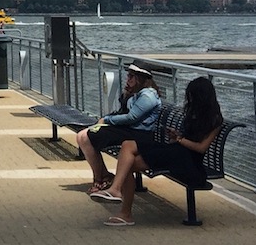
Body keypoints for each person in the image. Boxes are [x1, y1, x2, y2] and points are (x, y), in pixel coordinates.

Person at [91, 77, 224, 227]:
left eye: (192, 96)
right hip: (177, 152)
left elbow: (201, 148)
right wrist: (177, 135)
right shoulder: (195, 113)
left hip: (188, 162)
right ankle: (117, 195)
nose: (189, 99)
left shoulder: (215, 120)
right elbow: (187, 137)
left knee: (128, 162)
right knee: (127, 147)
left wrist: (180, 140)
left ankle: (123, 208)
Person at [76, 62, 161, 193]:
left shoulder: (148, 96)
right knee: (82, 136)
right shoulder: (137, 94)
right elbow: (124, 112)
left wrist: (107, 120)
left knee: (88, 136)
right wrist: (127, 94)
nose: (128, 79)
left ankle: (101, 178)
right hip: (130, 130)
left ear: (141, 79)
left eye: (132, 76)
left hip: (140, 134)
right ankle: (102, 176)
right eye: (128, 76)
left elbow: (131, 117)